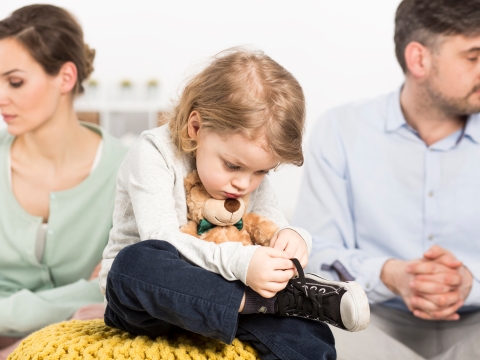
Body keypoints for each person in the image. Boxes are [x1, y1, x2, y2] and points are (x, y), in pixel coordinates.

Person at [100, 48, 370, 360]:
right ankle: (262, 302)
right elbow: (161, 240)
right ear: (196, 127)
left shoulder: (247, 170)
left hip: (230, 299)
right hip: (151, 305)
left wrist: (294, 239)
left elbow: (269, 224)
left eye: (261, 171)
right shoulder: (152, 153)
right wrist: (243, 264)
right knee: (136, 263)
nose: (244, 183)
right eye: (232, 166)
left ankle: (272, 302)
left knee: (308, 336)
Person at [293, 0, 480, 359]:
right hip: (372, 326)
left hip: (476, 327)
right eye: (472, 57)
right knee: (301, 329)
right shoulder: (341, 130)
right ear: (419, 60)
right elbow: (316, 252)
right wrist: (390, 275)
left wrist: (469, 284)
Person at [0, 4, 127, 359]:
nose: (0, 97)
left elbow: (115, 289)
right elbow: (94, 290)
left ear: (66, 78)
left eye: (15, 82)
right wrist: (80, 292)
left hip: (80, 345)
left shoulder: (127, 172)